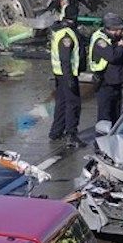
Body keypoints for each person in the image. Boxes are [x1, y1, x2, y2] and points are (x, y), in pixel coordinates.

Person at [48, 18, 84, 147]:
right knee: (73, 104)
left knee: (62, 103)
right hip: (67, 74)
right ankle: (71, 135)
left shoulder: (58, 31)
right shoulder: (66, 35)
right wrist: (69, 78)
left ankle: (56, 132)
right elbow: (65, 59)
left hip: (59, 74)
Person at [88, 13, 123, 126]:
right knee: (105, 116)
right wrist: (121, 46)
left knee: (115, 114)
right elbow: (112, 57)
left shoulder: (113, 38)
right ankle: (101, 140)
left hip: (115, 82)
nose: (121, 32)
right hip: (104, 82)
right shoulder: (100, 40)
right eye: (119, 30)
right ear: (112, 29)